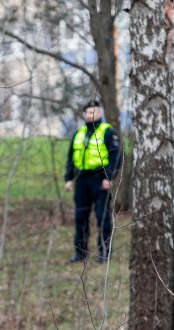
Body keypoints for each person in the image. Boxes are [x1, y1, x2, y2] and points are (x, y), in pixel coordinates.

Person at [64, 100, 121, 263]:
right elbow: (70, 158)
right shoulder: (79, 133)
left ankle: (105, 251)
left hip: (100, 179)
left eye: (93, 112)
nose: (90, 115)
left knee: (102, 217)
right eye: (87, 112)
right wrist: (68, 178)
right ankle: (80, 252)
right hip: (82, 180)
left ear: (99, 113)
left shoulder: (108, 132)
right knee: (80, 217)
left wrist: (109, 177)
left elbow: (116, 157)